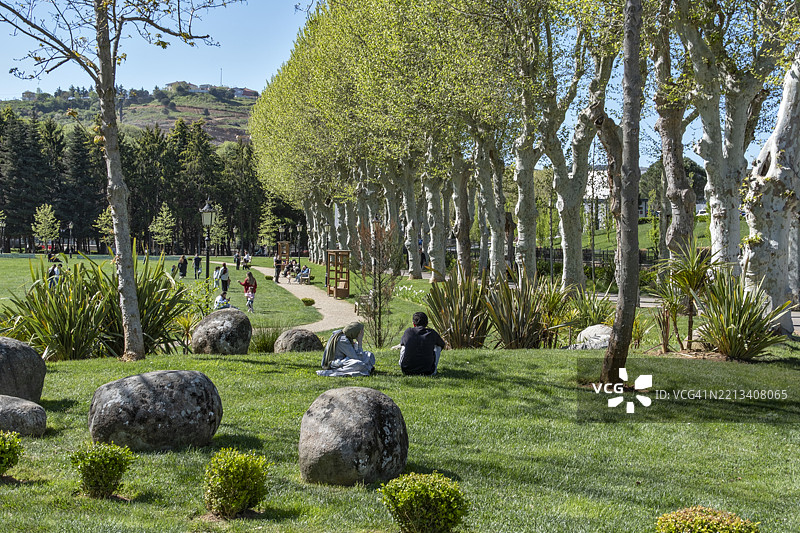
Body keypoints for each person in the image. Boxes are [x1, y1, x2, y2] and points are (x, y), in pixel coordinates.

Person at [399, 312, 446, 376]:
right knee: (438, 346)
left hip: (406, 371)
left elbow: (402, 344)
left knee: (404, 345)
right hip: (428, 372)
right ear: (426, 323)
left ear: (413, 324)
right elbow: (442, 344)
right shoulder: (432, 333)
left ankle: (402, 363)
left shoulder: (408, 331)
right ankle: (433, 369)